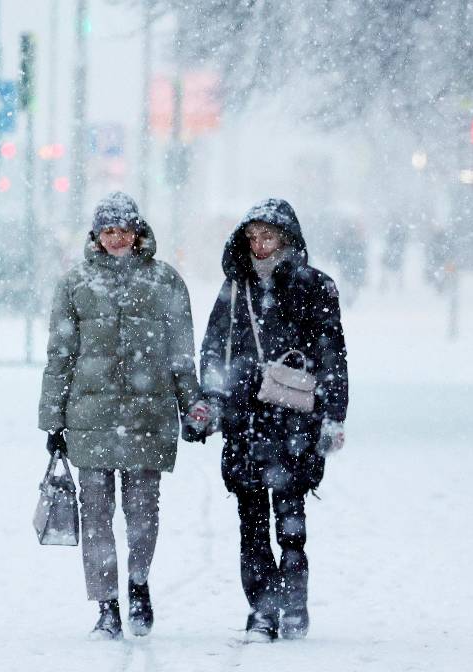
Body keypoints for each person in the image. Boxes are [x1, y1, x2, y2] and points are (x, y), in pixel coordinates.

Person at [38, 192, 208, 640]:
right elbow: (60, 356)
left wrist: (192, 406)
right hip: (89, 417)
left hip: (147, 415)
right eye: (109, 230)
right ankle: (107, 606)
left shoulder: (165, 283)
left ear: (138, 232)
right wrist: (53, 420)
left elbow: (180, 355)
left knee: (142, 511)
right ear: (96, 235)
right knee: (94, 513)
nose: (117, 238)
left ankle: (138, 584)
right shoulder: (74, 284)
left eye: (125, 229)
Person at [199, 198, 349, 642]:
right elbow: (213, 350)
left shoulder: (315, 288)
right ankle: (262, 610)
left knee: (291, 518)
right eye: (253, 237)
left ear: (287, 239)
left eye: (268, 236)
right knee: (250, 522)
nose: (260, 245)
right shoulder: (235, 288)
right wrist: (209, 402)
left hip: (294, 421)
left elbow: (332, 358)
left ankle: (294, 603)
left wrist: (333, 417)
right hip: (245, 419)